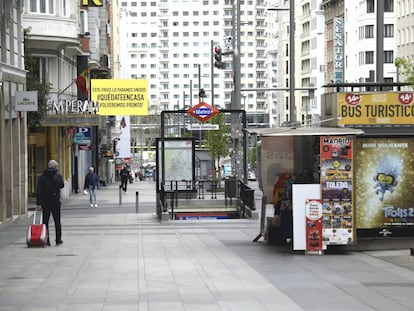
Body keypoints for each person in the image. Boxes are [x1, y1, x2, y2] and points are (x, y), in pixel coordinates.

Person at [36, 160, 64, 246]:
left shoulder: (42, 177)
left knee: (45, 222)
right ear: (55, 167)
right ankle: (58, 239)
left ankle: (46, 239)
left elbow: (39, 190)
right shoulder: (58, 176)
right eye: (57, 166)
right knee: (57, 221)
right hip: (55, 201)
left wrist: (39, 203)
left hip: (45, 202)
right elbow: (62, 185)